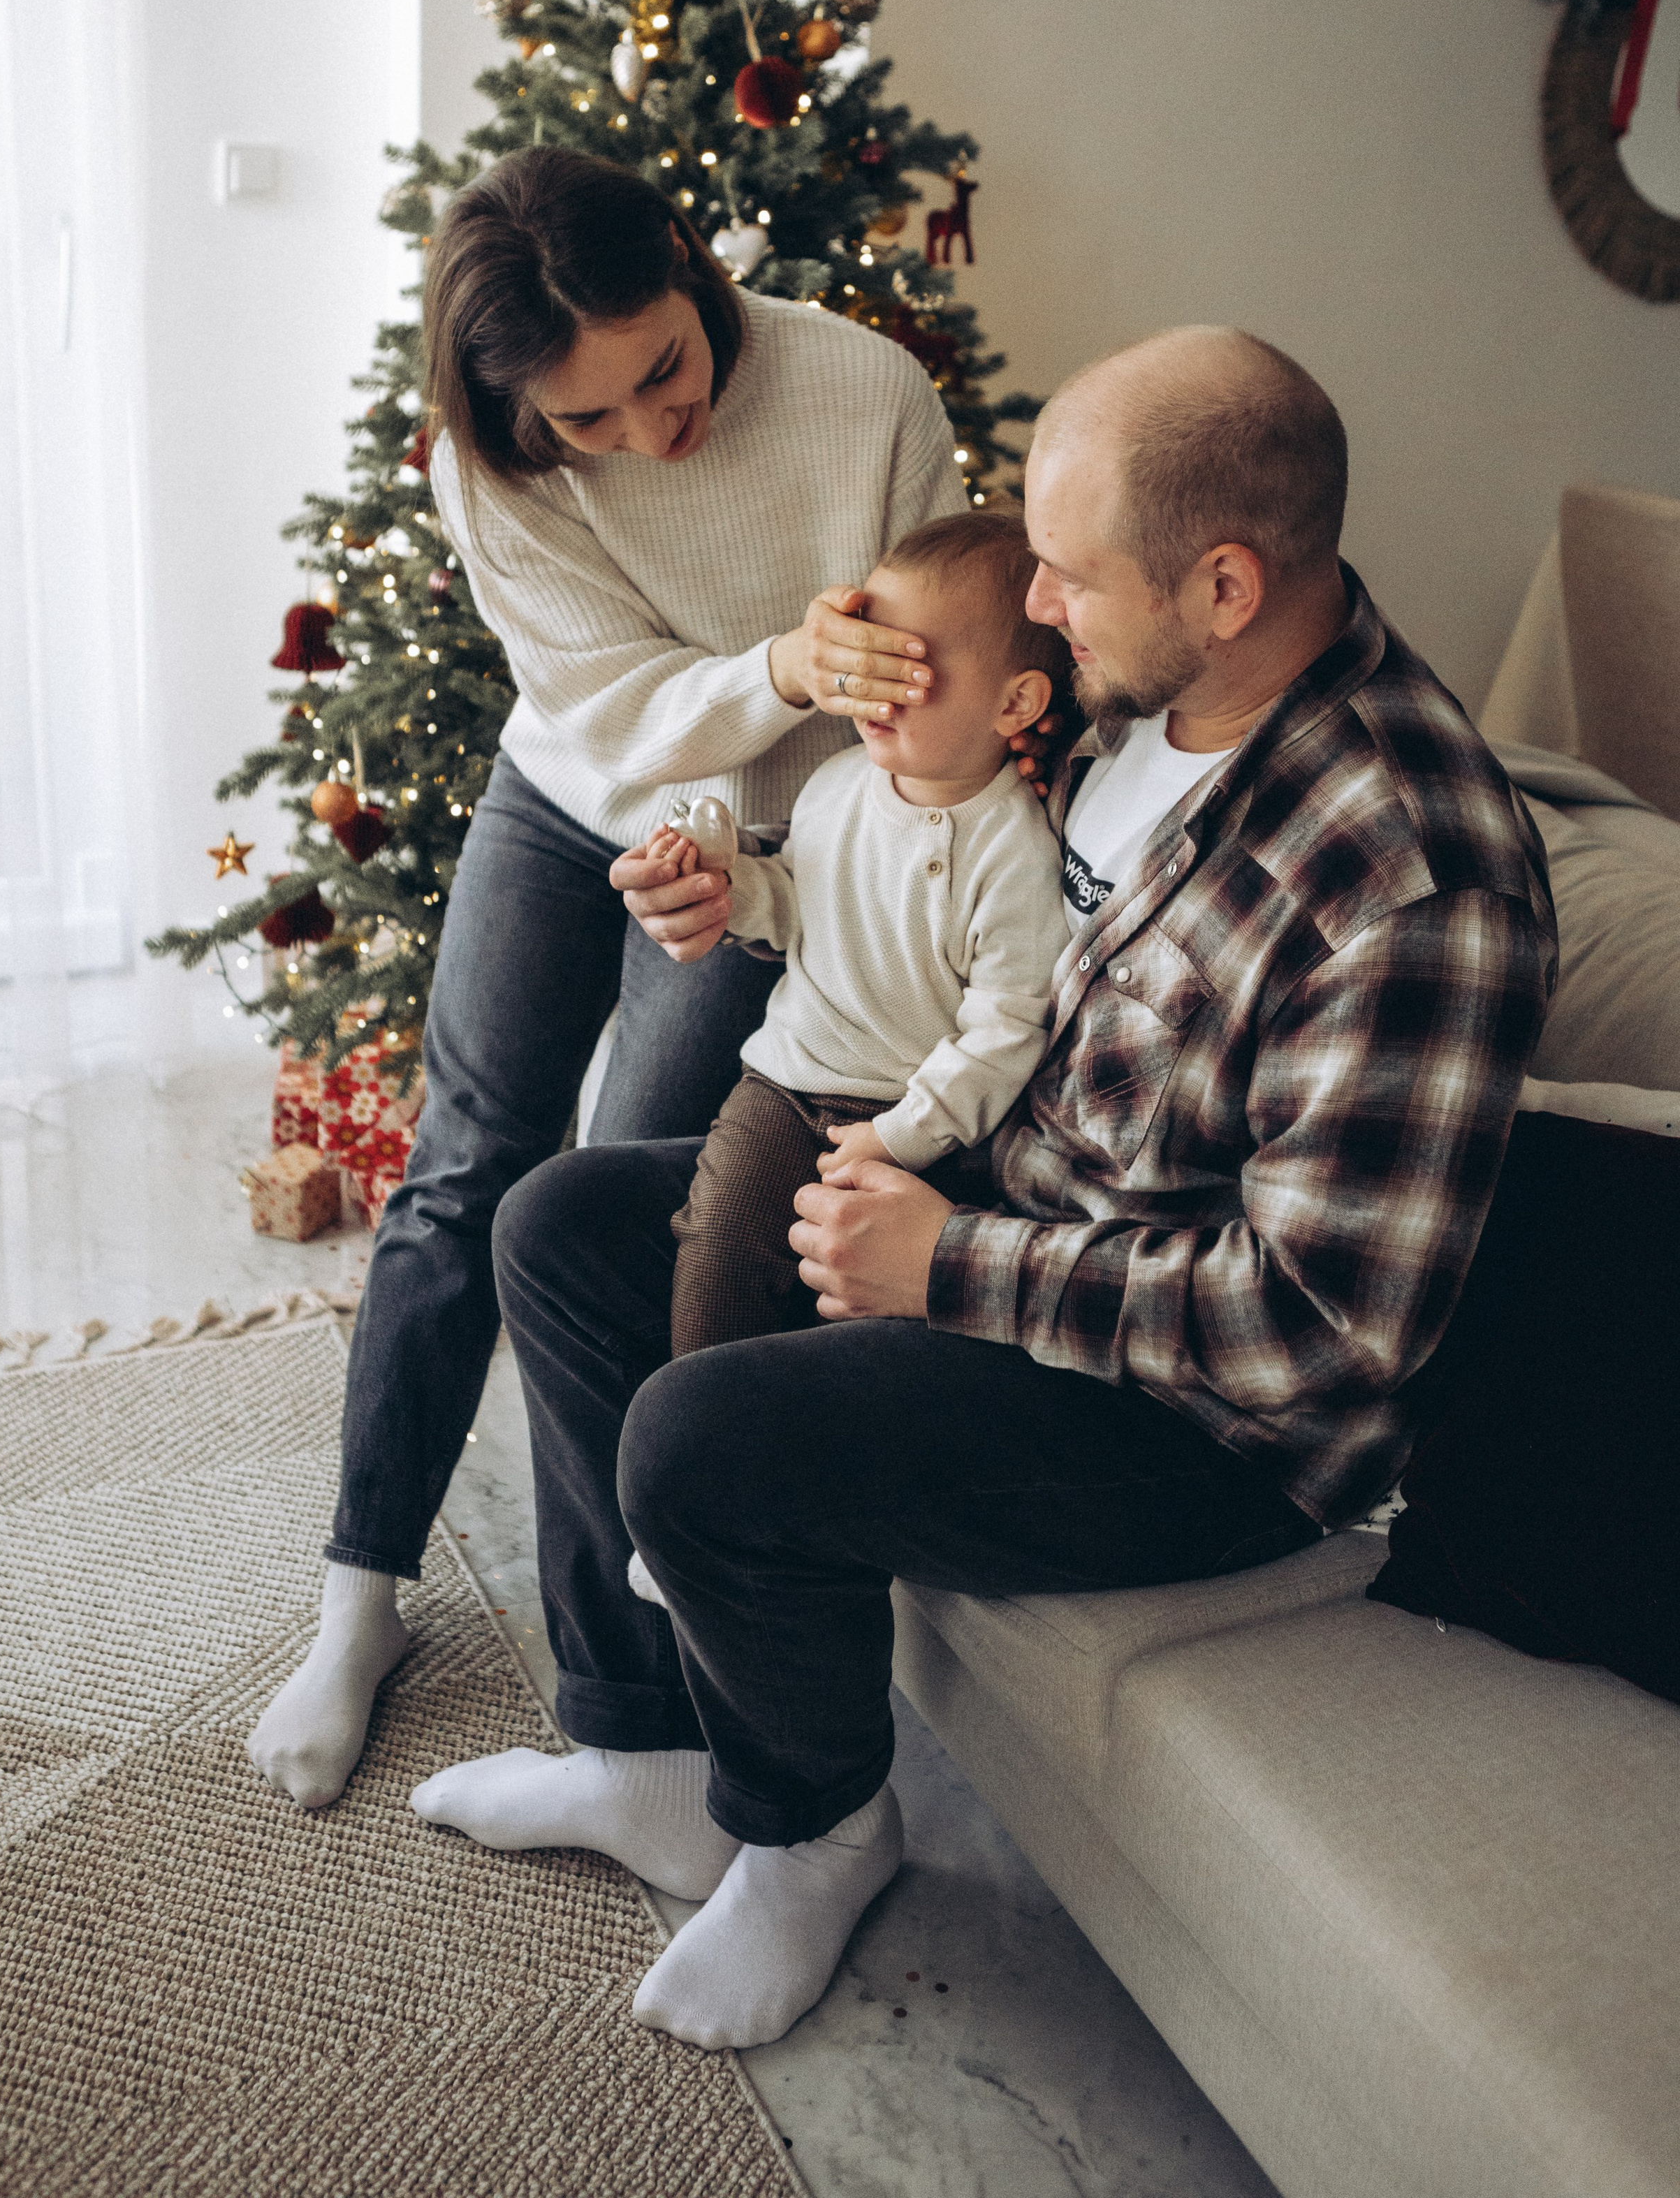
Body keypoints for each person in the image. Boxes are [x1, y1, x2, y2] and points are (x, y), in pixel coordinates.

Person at [408, 325, 1557, 2055]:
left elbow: (1326, 1331)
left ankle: (814, 1829)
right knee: (560, 1230)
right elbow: (958, 911)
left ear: (1225, 581)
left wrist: (952, 1265)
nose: (1031, 594)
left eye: (1067, 569)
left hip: (1191, 1426)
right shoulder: (1127, 712)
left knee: (699, 1444)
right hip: (1009, 1208)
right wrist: (761, 917)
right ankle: (645, 1747)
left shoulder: (1405, 872)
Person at [247, 144, 997, 1810]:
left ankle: (629, 1710)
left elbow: (900, 717)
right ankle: (357, 1595)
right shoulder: (493, 454)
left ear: (686, 256)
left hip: (768, 825)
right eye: (588, 422)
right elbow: (591, 700)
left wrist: (749, 863)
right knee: (465, 1164)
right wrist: (772, 665)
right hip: (568, 780)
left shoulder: (864, 394)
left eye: (660, 366)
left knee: (617, 1228)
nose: (647, 428)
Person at [647, 511, 1072, 1368]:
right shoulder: (838, 784)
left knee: (850, 1328)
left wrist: (904, 1134)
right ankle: (696, 1425)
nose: (871, 692)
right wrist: (727, 888)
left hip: (913, 1119)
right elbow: (799, 907)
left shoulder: (1015, 850)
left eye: (907, 668)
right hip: (785, 1084)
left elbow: (1005, 1032)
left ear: (1015, 701)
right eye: (865, 658)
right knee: (718, 1259)